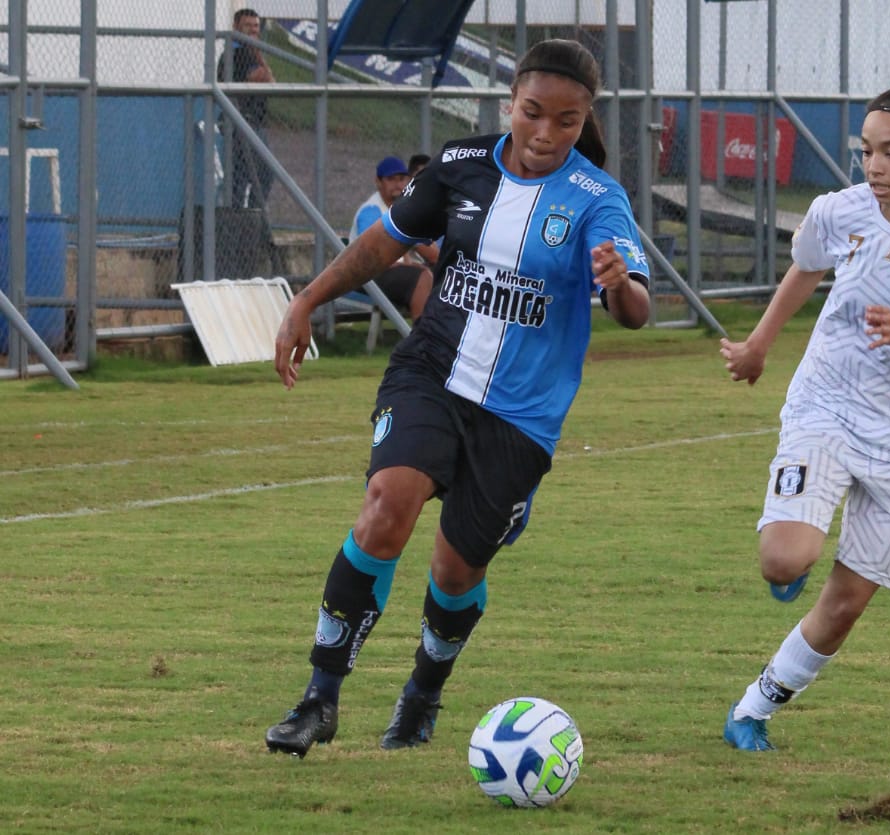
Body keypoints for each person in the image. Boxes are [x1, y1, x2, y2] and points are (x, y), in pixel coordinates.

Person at [264, 38, 652, 758]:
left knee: (454, 570)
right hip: (432, 371)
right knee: (387, 503)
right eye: (532, 113)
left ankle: (424, 689)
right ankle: (319, 696)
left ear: (584, 122)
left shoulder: (600, 199)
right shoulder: (460, 166)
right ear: (509, 103)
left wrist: (618, 282)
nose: (544, 134)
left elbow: (634, 310)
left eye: (564, 122)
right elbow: (383, 245)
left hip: (521, 414)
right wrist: (306, 301)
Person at [718, 62, 890, 752]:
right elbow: (806, 267)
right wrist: (759, 343)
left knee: (844, 606)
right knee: (784, 560)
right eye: (867, 151)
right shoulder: (838, 210)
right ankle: (799, 546)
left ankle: (753, 709)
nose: (875, 166)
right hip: (831, 403)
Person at [348, 155, 434, 318]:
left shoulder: (405, 208)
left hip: (392, 270)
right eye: (391, 179)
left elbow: (433, 253)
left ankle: (444, 338)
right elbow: (373, 256)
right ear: (378, 182)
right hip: (365, 274)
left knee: (445, 273)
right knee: (422, 277)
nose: (398, 184)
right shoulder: (371, 210)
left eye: (402, 179)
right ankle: (421, 340)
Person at [217, 8, 275, 208]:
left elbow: (272, 82)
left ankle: (252, 219)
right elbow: (262, 78)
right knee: (243, 177)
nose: (253, 31)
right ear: (235, 27)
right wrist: (257, 52)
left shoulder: (251, 54)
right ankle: (242, 223)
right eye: (247, 26)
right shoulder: (234, 54)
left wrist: (257, 54)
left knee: (262, 175)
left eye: (256, 26)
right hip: (241, 123)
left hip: (256, 123)